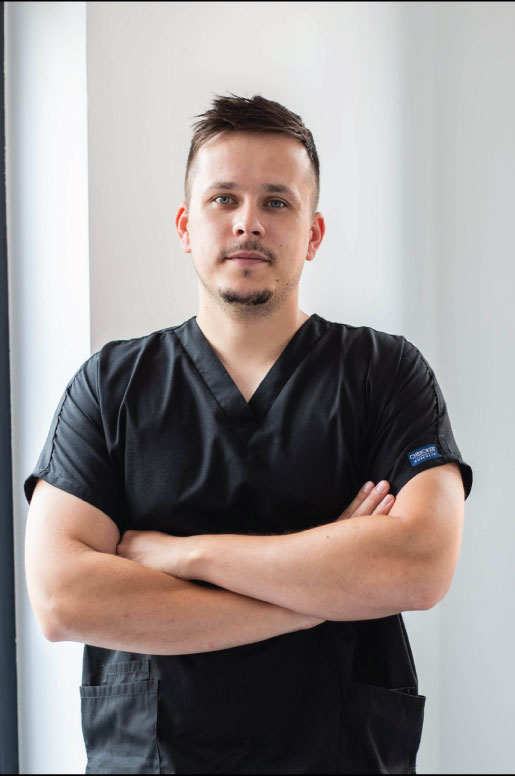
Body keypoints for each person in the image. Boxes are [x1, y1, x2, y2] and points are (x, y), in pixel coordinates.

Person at [24, 94, 472, 775]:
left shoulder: (382, 373)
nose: (247, 222)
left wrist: (187, 554)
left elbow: (419, 563)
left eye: (276, 202)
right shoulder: (111, 386)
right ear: (185, 226)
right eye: (223, 199)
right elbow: (63, 598)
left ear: (313, 234)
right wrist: (316, 599)